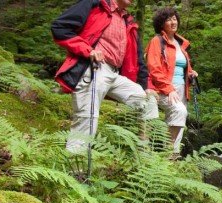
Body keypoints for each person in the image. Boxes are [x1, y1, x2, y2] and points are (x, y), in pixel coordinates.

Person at [51, 0, 158, 153]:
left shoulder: (127, 21)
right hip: (94, 68)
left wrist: (147, 87)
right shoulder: (95, 6)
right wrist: (88, 50)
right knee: (87, 119)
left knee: (148, 102)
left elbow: (138, 59)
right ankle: (74, 168)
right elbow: (59, 27)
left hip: (115, 74)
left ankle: (146, 159)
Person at [145, 7, 197, 156]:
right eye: (168, 19)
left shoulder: (181, 44)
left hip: (181, 87)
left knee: (180, 117)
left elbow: (180, 66)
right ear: (161, 23)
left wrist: (191, 73)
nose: (173, 22)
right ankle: (160, 154)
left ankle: (172, 157)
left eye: (175, 19)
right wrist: (168, 88)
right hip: (163, 87)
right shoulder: (157, 41)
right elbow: (154, 68)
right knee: (178, 111)